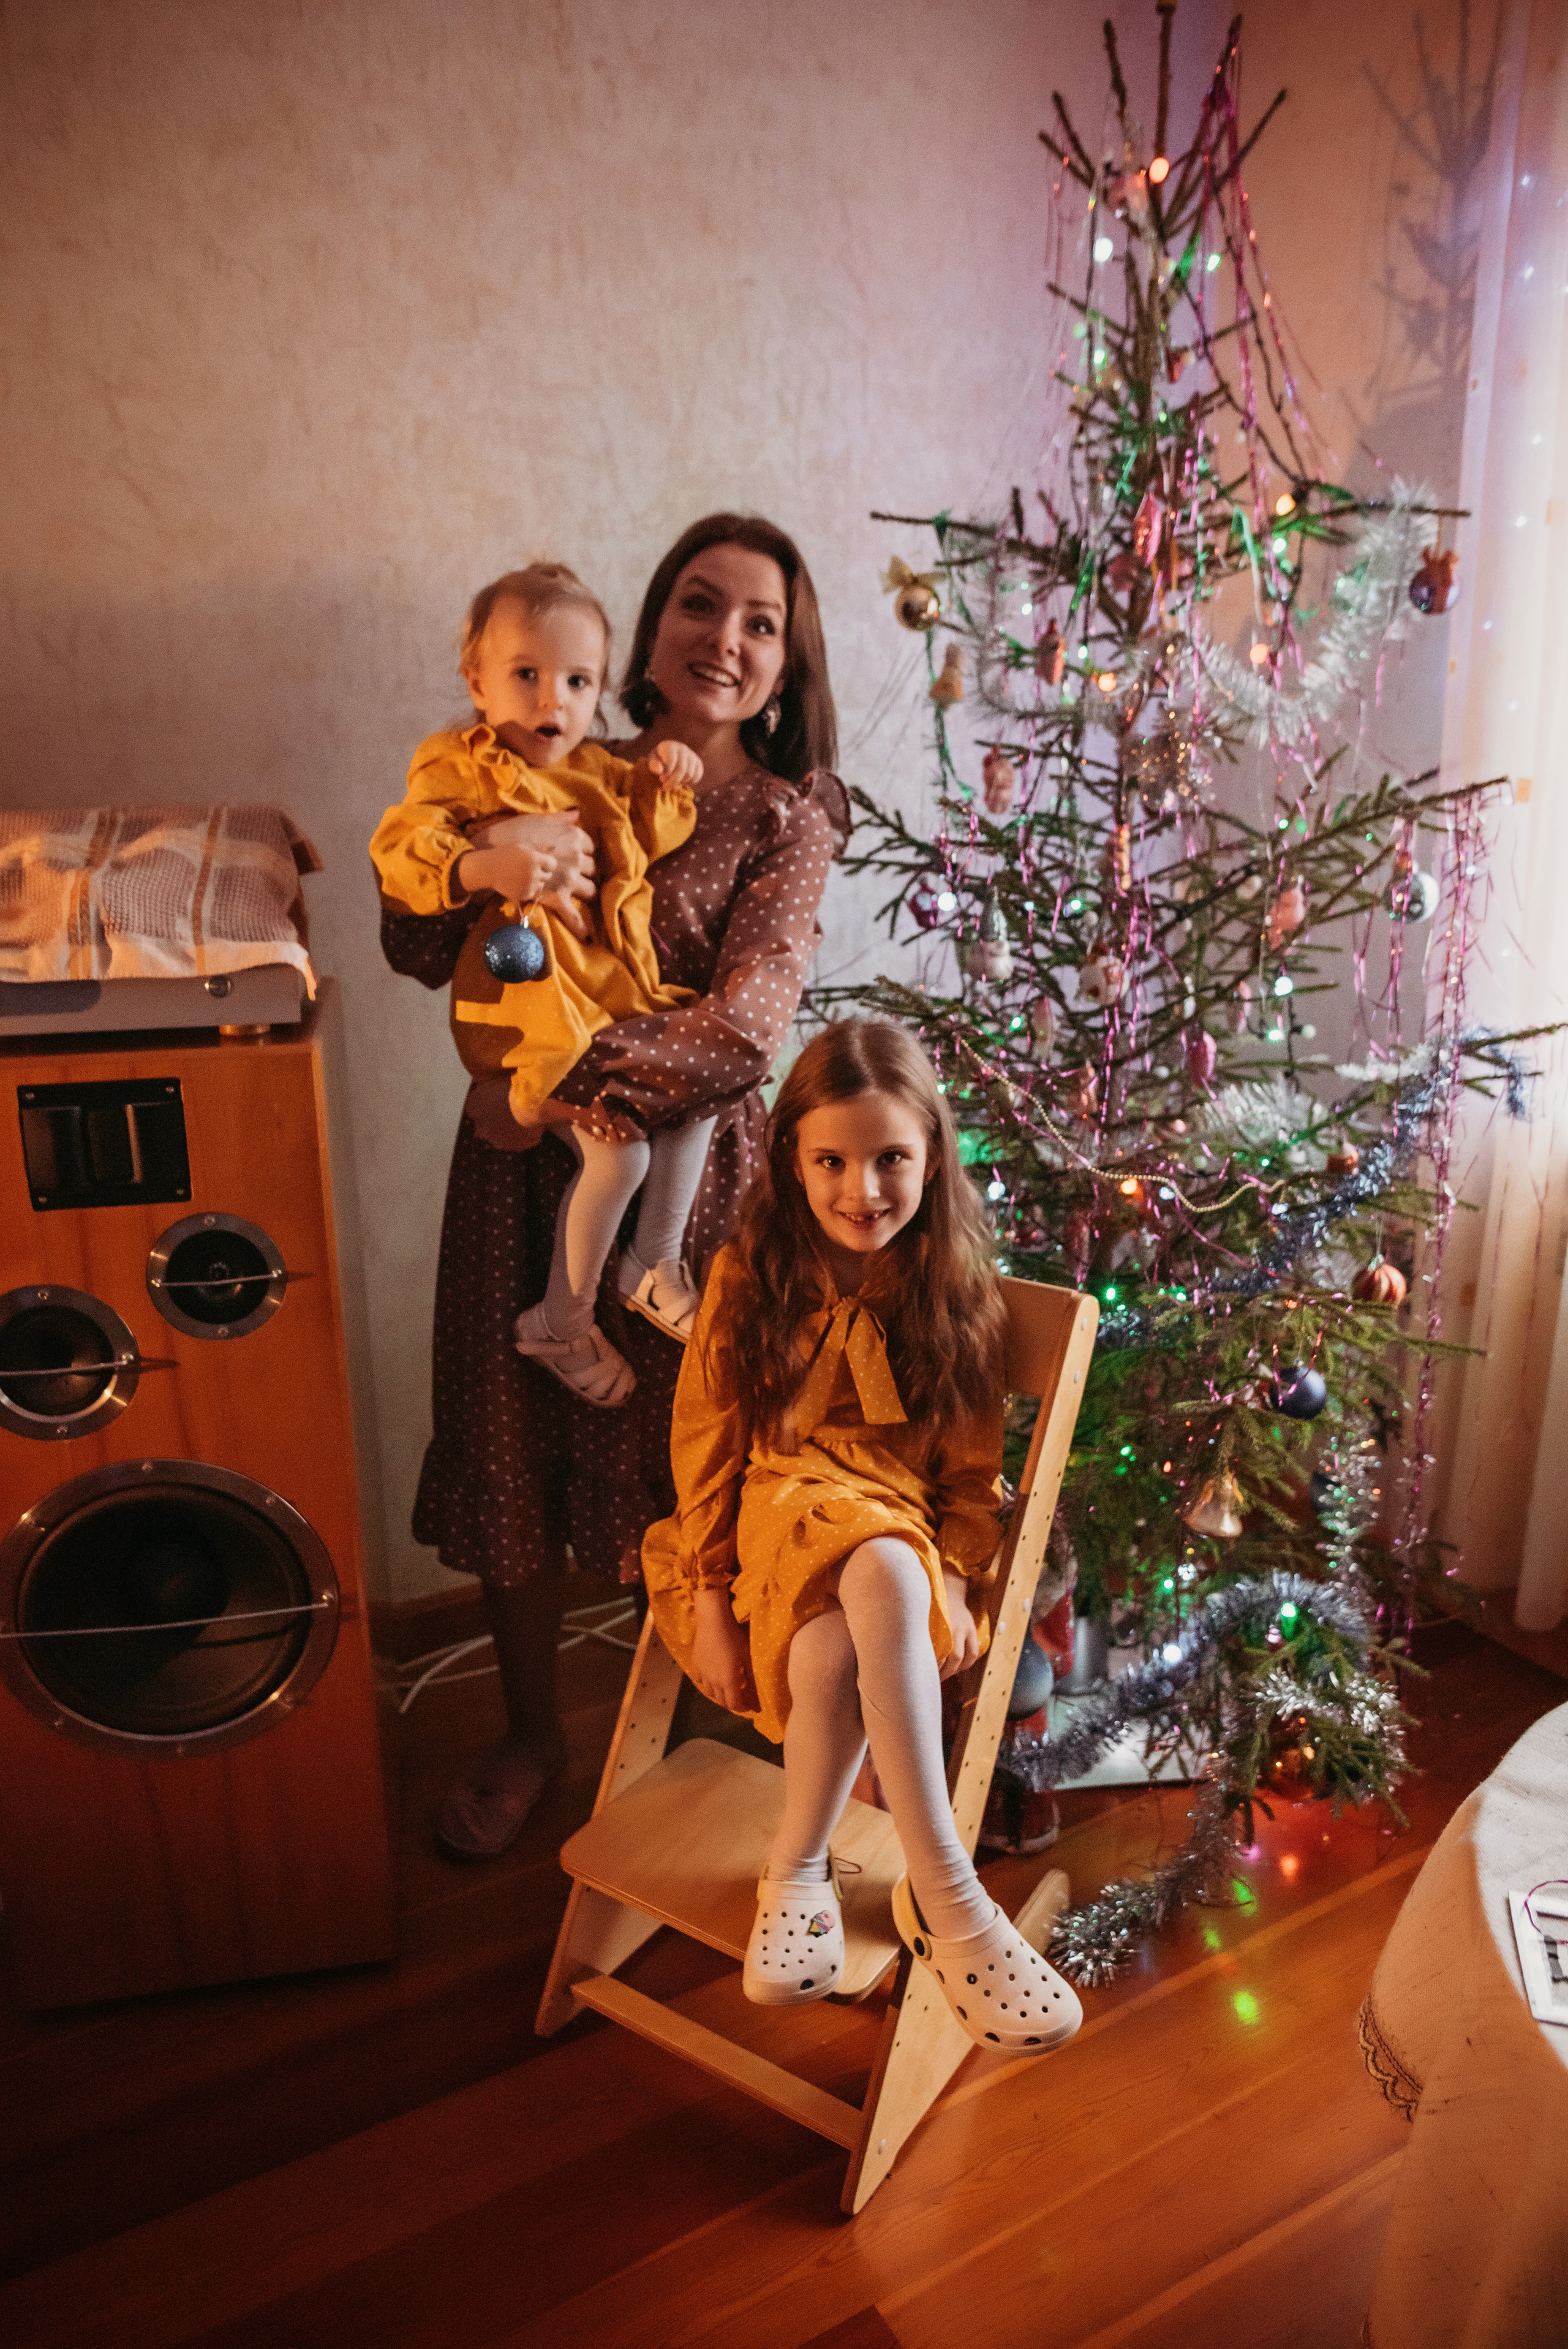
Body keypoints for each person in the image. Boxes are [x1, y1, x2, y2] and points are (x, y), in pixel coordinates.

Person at [379, 515, 849, 1856]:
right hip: (516, 1180)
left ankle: (689, 1740)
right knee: (506, 1445)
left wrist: (554, 1082)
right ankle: (532, 1731)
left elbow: (752, 1020)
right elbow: (415, 943)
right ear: (650, 630)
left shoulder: (784, 817)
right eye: (701, 605)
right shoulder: (535, 751)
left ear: (784, 662)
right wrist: (484, 862)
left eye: (761, 623)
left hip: (676, 1195)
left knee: (689, 1474)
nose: (727, 639)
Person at [641, 1022, 1084, 2054]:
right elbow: (706, 1447)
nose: (863, 1189)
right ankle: (951, 1895)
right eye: (831, 1161)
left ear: (932, 1154)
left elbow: (969, 1474)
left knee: (850, 1620)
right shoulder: (750, 1276)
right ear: (791, 1160)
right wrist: (708, 1594)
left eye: (892, 1158)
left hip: (897, 1525)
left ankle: (795, 1868)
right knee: (879, 1561)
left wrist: (968, 1581)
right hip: (771, 1513)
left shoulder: (954, 1289)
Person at [371, 562, 716, 1402]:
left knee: (698, 1087)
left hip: (603, 997)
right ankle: (562, 1320)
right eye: (525, 674)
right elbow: (402, 850)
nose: (550, 699)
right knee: (621, 1149)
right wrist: (491, 861)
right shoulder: (460, 763)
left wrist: (670, 775)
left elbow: (649, 834)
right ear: (476, 681)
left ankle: (655, 1258)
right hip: (527, 1013)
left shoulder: (597, 769)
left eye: (576, 680)